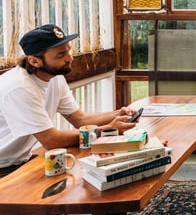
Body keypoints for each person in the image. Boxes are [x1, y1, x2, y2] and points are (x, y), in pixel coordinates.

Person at [0, 24, 139, 177]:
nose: (70, 58)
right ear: (34, 61)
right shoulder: (20, 88)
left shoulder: (54, 77)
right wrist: (107, 129)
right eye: (60, 55)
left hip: (20, 159)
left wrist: (118, 114)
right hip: (4, 166)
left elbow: (80, 119)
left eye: (68, 50)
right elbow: (51, 140)